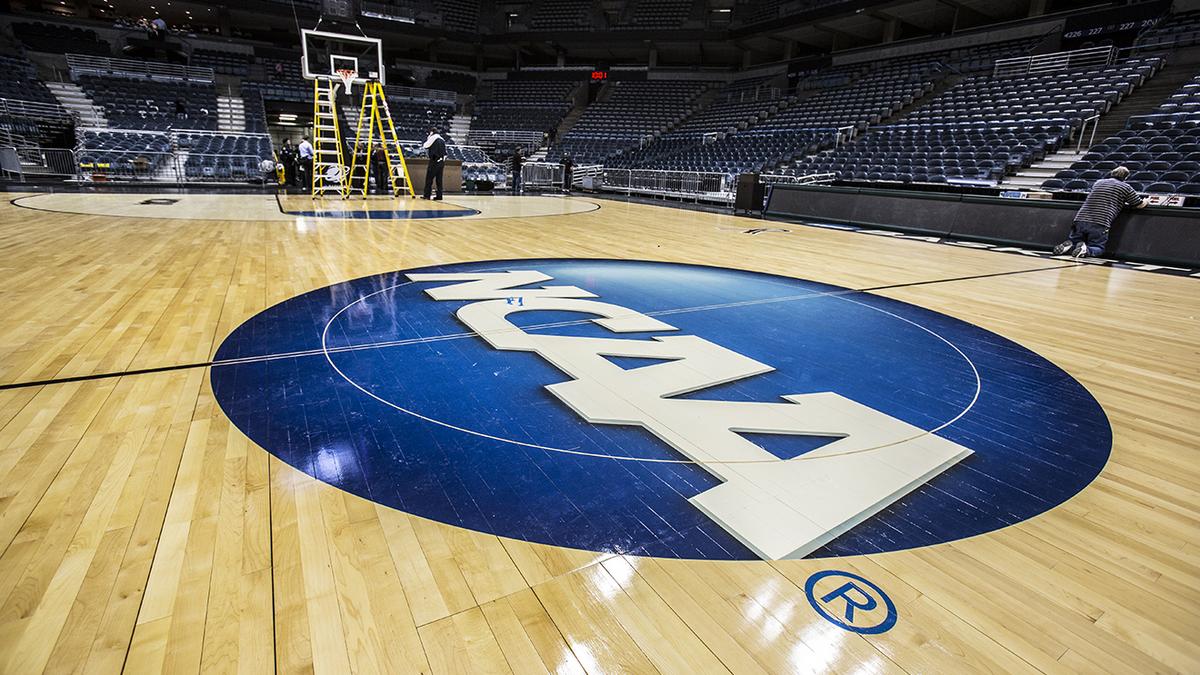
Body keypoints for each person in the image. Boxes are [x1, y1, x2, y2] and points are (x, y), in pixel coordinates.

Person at [1052, 166, 1146, 258]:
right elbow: (1138, 204)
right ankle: (1086, 250)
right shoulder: (1126, 187)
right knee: (1098, 247)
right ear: (1126, 177)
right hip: (1100, 221)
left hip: (1080, 218)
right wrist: (1147, 201)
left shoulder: (1098, 182)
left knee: (1075, 241)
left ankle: (1069, 247)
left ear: (1111, 173)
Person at [421, 126, 446, 200]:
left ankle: (427, 195)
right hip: (441, 162)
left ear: (431, 132)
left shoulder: (433, 137)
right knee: (439, 180)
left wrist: (428, 137)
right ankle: (439, 196)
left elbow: (425, 146)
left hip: (434, 161)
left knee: (429, 179)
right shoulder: (442, 139)